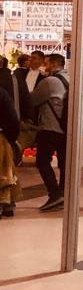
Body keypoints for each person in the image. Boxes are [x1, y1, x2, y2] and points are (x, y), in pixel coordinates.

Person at [30, 53, 69, 211]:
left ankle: (55, 194)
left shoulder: (50, 81)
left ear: (54, 64)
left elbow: (32, 100)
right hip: (67, 128)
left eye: (46, 63)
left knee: (42, 161)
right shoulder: (70, 78)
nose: (44, 67)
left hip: (50, 127)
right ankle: (64, 194)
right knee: (64, 163)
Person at [0, 87, 21, 218]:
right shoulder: (2, 93)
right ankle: (7, 205)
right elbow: (12, 119)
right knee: (5, 171)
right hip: (1, 138)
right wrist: (11, 139)